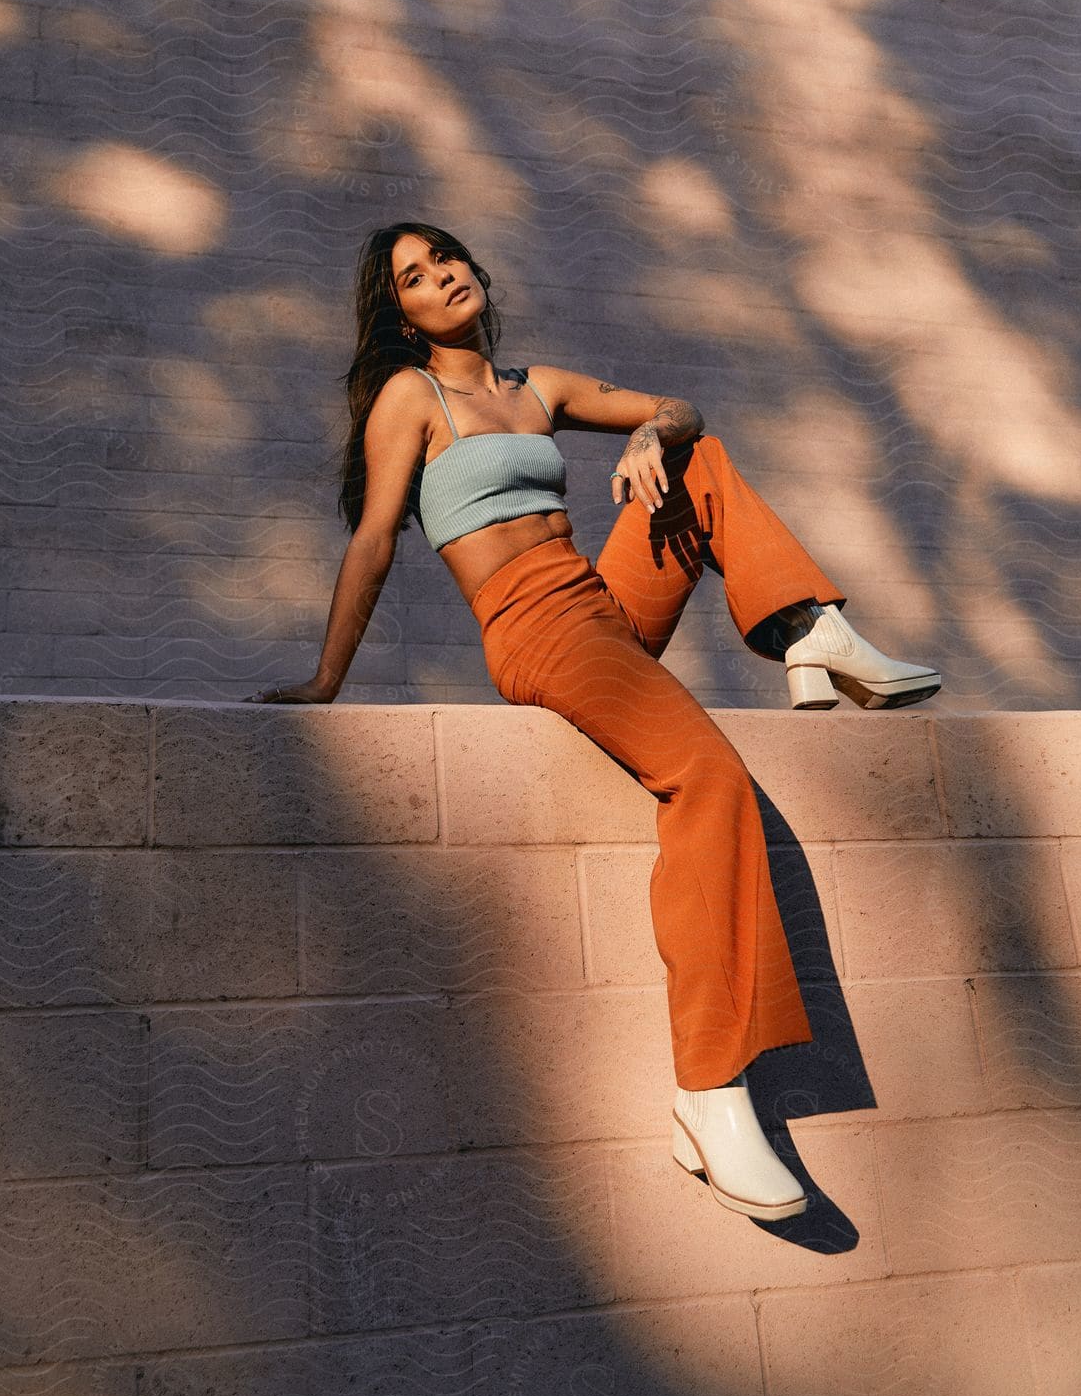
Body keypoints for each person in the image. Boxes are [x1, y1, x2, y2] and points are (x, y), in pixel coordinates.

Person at [245, 221, 941, 1222]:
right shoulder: (413, 397)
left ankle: (809, 630)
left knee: (699, 459)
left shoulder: (539, 389)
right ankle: (709, 1091)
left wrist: (653, 436)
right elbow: (372, 539)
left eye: (446, 260)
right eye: (414, 277)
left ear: (474, 271)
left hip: (600, 608)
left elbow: (682, 408)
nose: (439, 278)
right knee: (708, 780)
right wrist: (325, 681)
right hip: (535, 629)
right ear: (398, 313)